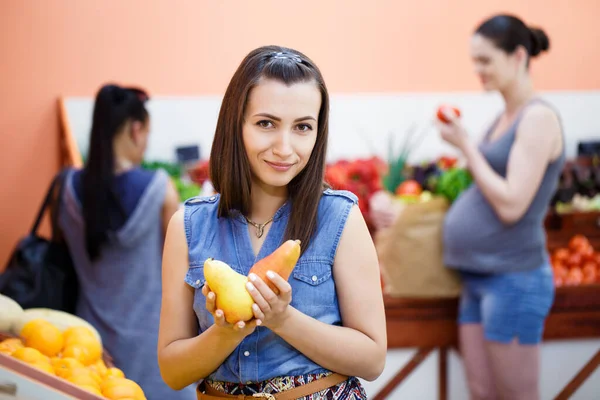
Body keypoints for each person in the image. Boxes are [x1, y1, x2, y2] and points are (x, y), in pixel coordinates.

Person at [158, 46, 387, 399]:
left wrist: (283, 319)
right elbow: (172, 372)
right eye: (266, 123)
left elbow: (372, 359)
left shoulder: (340, 218)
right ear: (237, 124)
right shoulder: (187, 225)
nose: (284, 147)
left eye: (302, 127)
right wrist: (227, 331)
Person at [440, 15, 563, 400]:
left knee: (516, 395)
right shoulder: (503, 117)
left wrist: (466, 147)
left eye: (486, 60)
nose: (478, 70)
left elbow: (511, 204)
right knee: (481, 391)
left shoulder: (538, 118)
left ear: (518, 57)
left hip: (514, 279)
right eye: (474, 61)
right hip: (478, 277)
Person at [58, 84, 196, 400]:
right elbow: (184, 268)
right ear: (136, 130)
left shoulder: (67, 189)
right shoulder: (159, 189)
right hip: (155, 356)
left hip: (89, 352)